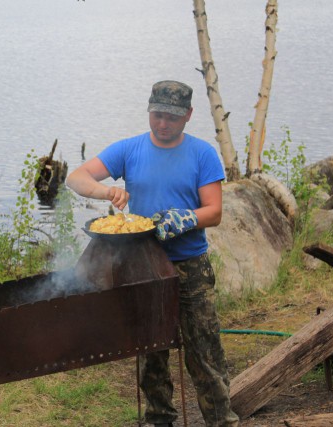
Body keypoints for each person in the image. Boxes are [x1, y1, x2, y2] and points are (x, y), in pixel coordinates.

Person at [66, 80, 240, 427]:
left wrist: (187, 217)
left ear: (188, 116)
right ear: (149, 110)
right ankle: (160, 419)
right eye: (158, 115)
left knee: (204, 352)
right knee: (151, 352)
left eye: (172, 117)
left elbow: (214, 211)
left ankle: (222, 420)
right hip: (142, 264)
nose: (163, 124)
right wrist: (105, 191)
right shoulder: (130, 150)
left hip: (190, 266)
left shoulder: (202, 153)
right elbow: (76, 177)